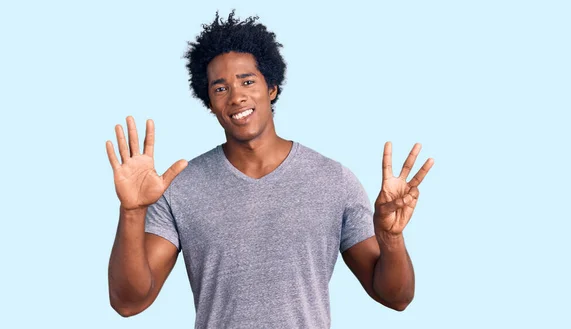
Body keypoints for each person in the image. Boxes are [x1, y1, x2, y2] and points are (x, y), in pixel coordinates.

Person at [106, 10, 434, 329]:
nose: (236, 97)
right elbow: (129, 302)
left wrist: (391, 239)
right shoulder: (180, 188)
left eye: (247, 81)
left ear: (272, 88)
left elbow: (396, 297)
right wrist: (132, 211)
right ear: (209, 103)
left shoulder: (334, 181)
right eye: (220, 88)